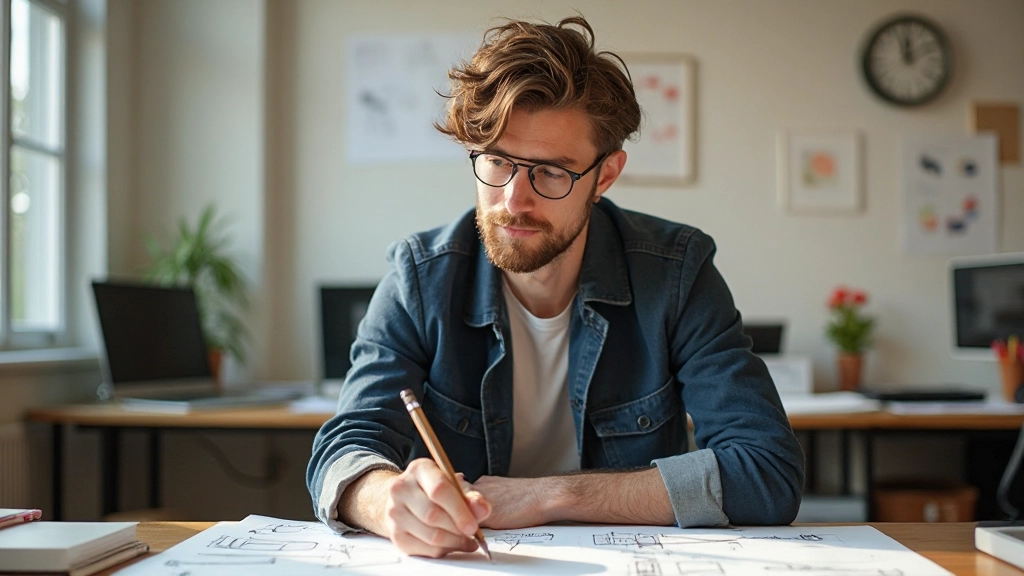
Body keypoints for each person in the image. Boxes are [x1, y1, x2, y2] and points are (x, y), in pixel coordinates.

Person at [308, 15, 804, 558]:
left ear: (605, 176)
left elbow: (766, 470)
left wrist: (551, 495)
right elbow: (345, 450)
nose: (513, 200)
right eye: (497, 161)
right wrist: (386, 501)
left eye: (550, 172)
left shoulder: (676, 273)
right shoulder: (420, 276)